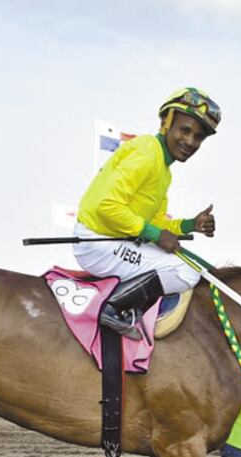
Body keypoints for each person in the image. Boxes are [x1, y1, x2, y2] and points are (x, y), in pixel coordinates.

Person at [73, 87, 220, 340]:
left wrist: (189, 225)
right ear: (166, 122)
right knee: (187, 272)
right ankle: (114, 308)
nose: (190, 142)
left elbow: (156, 222)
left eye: (198, 137)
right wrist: (156, 235)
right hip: (97, 242)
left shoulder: (163, 170)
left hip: (114, 239)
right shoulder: (147, 151)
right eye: (185, 130)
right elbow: (106, 205)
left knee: (192, 264)